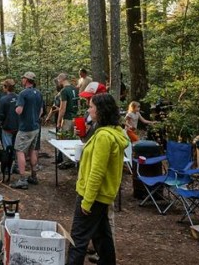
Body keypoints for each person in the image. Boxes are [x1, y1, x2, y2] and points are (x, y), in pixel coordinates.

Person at [67, 93, 128, 265]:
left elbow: (97, 172)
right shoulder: (114, 131)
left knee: (78, 240)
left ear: (100, 110)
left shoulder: (104, 136)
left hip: (93, 195)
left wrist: (87, 201)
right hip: (103, 196)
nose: (89, 109)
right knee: (102, 236)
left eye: (91, 106)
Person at [10, 72, 44, 189]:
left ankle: (22, 179)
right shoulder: (38, 93)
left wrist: (16, 108)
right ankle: (34, 176)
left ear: (26, 80)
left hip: (25, 128)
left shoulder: (23, 93)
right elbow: (40, 111)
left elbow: (19, 110)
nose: (22, 80)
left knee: (20, 151)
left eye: (23, 78)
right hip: (35, 127)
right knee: (33, 150)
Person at [57, 72, 79, 169]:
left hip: (67, 118)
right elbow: (78, 103)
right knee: (74, 139)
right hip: (76, 117)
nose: (58, 81)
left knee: (65, 139)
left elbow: (62, 108)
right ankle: (75, 160)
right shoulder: (75, 89)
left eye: (58, 80)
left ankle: (67, 161)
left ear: (61, 79)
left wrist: (58, 121)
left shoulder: (64, 91)